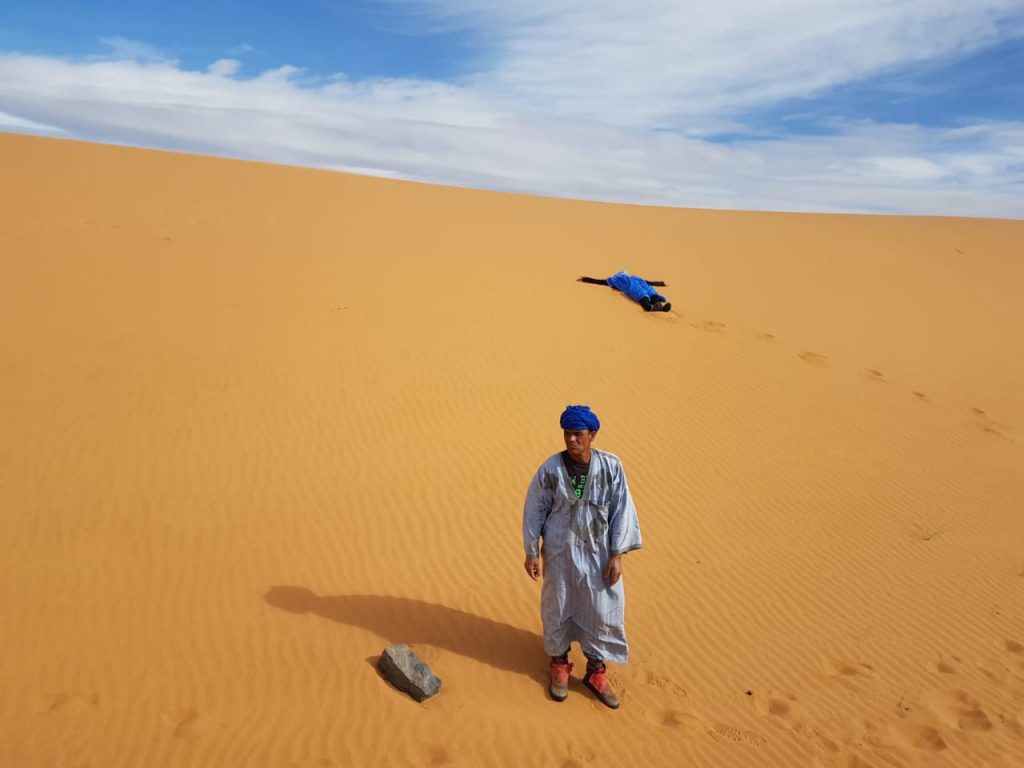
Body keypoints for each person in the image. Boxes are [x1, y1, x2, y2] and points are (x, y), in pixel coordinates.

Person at [522, 405, 642, 708]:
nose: (572, 440)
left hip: (599, 555)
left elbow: (622, 510)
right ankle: (559, 664)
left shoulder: (611, 467)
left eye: (578, 434)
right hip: (561, 553)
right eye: (567, 433)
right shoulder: (550, 469)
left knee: (601, 610)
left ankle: (596, 670)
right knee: (558, 605)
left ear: (592, 435)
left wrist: (617, 554)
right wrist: (530, 550)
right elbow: (534, 509)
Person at [579, 270, 671, 312]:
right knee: (651, 295)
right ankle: (658, 305)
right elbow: (648, 282)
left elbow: (600, 282)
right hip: (646, 288)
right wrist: (661, 283)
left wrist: (586, 279)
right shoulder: (634, 277)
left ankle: (657, 306)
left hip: (639, 290)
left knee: (645, 301)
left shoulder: (615, 280)